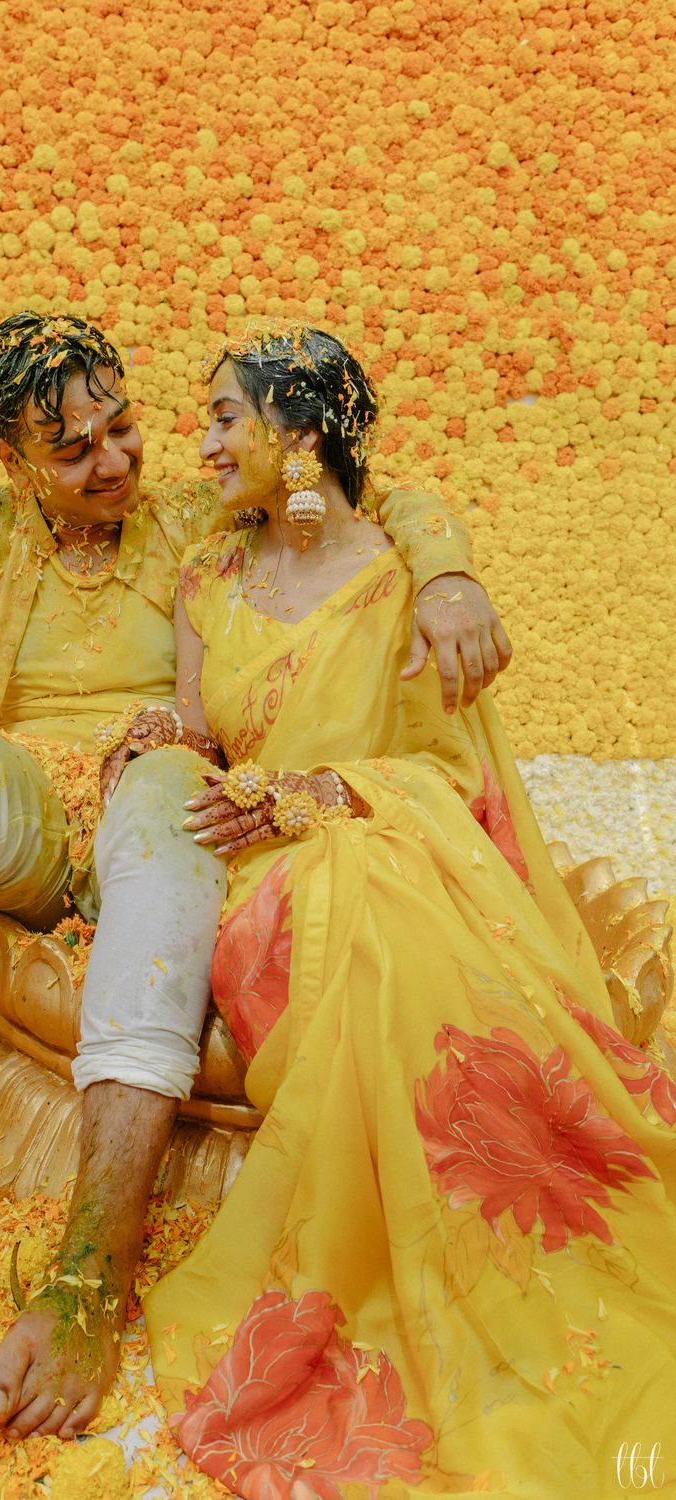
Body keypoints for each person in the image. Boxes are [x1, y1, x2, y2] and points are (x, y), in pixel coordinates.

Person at [0, 312, 511, 1441]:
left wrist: (446, 575)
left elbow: (366, 487)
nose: (114, 461)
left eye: (123, 427)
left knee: (161, 774)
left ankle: (92, 1270)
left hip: (160, 817)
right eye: (72, 450)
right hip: (26, 828)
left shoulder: (193, 516)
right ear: (10, 462)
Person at [134, 324, 676, 1499]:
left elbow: (452, 779)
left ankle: (506, 1264)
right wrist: (156, 741)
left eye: (227, 416)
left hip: (383, 853)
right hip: (253, 883)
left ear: (302, 433)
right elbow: (200, 729)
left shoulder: (399, 582)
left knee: (373, 887)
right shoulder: (204, 584)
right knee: (354, 893)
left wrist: (330, 792)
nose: (204, 441)